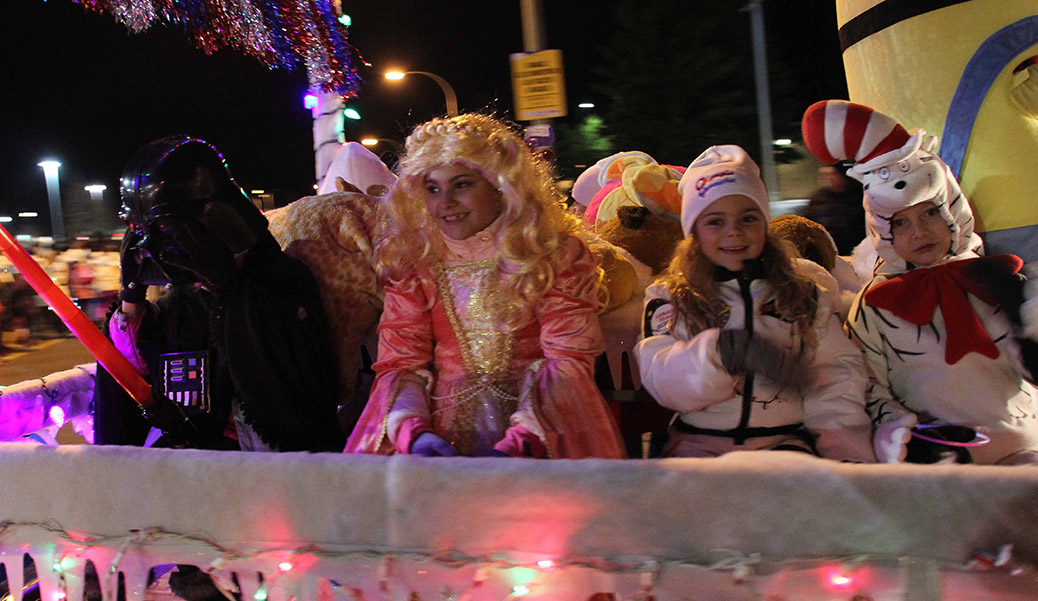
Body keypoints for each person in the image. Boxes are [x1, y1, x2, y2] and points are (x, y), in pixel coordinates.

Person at [345, 113, 625, 458]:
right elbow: (401, 363)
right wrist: (413, 432)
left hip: (545, 432)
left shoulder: (555, 257)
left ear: (501, 184)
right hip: (440, 436)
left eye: (461, 184)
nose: (445, 203)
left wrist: (523, 440)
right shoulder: (415, 263)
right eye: (433, 188)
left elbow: (568, 360)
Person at [802, 100, 1038, 465]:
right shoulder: (874, 304)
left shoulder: (996, 280)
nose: (921, 232)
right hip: (940, 454)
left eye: (930, 212)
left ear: (952, 210)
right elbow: (868, 383)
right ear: (883, 229)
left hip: (1023, 445)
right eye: (901, 222)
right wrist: (897, 429)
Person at [93, 135, 346, 453]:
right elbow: (131, 370)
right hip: (200, 473)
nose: (155, 247)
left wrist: (226, 290)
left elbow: (285, 393)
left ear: (217, 217)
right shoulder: (180, 303)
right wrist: (131, 296)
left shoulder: (282, 282)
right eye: (141, 232)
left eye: (165, 229)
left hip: (275, 472)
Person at [634, 145, 875, 461]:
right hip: (699, 446)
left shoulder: (803, 295)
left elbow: (834, 376)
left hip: (783, 445)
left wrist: (842, 451)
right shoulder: (671, 298)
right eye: (715, 222)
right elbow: (663, 380)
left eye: (748, 218)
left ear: (765, 223)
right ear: (692, 231)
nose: (734, 232)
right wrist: (719, 354)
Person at [800, 164, 865, 255]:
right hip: (827, 250)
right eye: (826, 175)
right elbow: (808, 221)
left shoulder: (858, 196)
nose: (830, 178)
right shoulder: (818, 197)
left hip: (853, 250)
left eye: (834, 174)